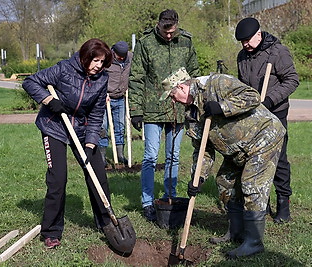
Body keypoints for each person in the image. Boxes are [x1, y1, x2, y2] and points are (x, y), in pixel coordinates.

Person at [161, 69, 285, 259]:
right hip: (236, 148)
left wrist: (222, 106)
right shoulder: (192, 115)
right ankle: (236, 232)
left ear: (181, 86)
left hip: (263, 137)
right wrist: (198, 178)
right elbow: (203, 150)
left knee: (252, 185)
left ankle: (254, 242)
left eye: (172, 95)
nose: (173, 100)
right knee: (225, 182)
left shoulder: (217, 83)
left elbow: (253, 97)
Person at [22, 38, 114, 249]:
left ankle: (106, 222)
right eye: (95, 60)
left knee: (97, 173)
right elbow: (30, 82)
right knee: (58, 179)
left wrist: (91, 143)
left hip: (81, 129)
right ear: (86, 56)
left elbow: (97, 112)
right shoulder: (64, 69)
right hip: (54, 126)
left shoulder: (101, 79)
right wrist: (49, 100)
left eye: (102, 62)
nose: (98, 66)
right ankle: (51, 230)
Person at [128, 9, 200, 222]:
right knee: (150, 156)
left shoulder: (186, 41)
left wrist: (193, 104)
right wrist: (135, 111)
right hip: (152, 109)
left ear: (177, 25)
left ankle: (170, 197)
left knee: (173, 155)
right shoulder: (145, 43)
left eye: (172, 31)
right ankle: (148, 202)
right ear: (158, 24)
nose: (169, 35)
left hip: (178, 109)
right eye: (165, 30)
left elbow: (194, 73)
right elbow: (136, 78)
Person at [235, 17, 299, 224]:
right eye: (242, 41)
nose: (245, 44)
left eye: (247, 40)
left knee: (278, 158)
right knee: (252, 159)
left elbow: (292, 80)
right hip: (254, 114)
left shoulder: (277, 52)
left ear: (258, 34)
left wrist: (271, 100)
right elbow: (242, 84)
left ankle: (283, 202)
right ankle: (261, 201)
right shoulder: (242, 56)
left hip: (275, 112)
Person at [98, 41, 132, 166]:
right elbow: (96, 75)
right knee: (103, 127)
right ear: (114, 52)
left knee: (120, 126)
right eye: (119, 57)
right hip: (104, 98)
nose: (122, 59)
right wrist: (101, 92)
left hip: (120, 98)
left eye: (124, 57)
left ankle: (120, 155)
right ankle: (101, 157)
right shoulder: (105, 59)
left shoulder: (130, 58)